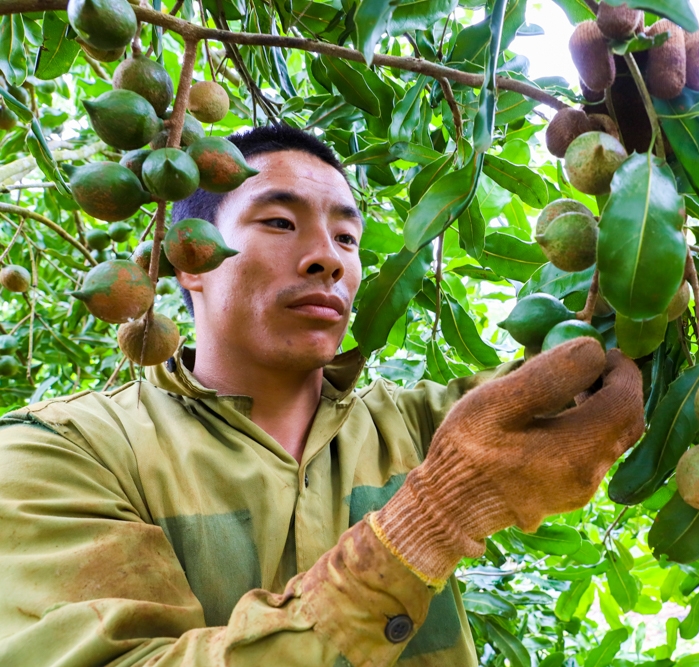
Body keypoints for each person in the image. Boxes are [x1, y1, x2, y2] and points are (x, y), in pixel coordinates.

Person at [0, 124, 645, 666]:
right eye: (280, 222)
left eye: (346, 238)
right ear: (192, 259)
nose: (327, 259)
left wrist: (642, 154)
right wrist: (434, 517)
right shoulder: (65, 451)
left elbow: (589, 367)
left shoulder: (424, 425)